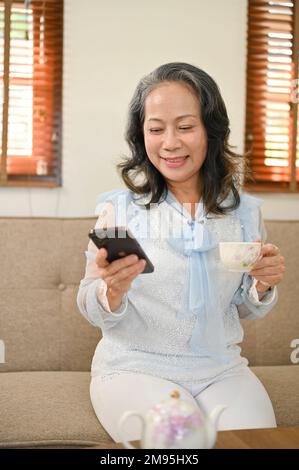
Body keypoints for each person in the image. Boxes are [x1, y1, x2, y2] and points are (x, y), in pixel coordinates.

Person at [77, 62, 285, 443]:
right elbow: (88, 303)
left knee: (256, 442)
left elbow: (241, 308)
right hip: (135, 369)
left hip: (221, 370)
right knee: (182, 440)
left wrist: (262, 286)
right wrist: (111, 291)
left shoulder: (244, 213)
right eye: (156, 129)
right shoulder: (119, 213)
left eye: (185, 127)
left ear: (211, 131)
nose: (169, 142)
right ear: (142, 137)